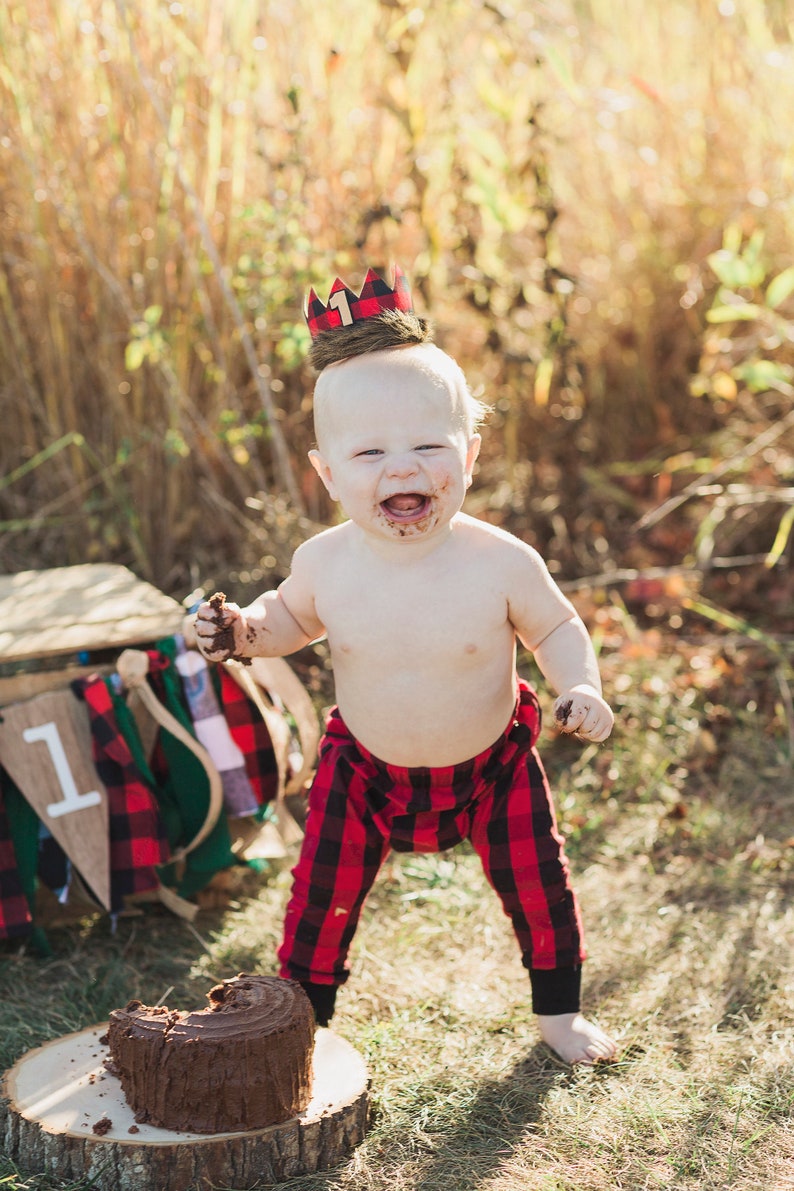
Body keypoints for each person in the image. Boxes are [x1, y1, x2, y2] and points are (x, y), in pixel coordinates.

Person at [195, 267, 617, 1064]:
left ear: (471, 452)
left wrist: (581, 684)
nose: (403, 469)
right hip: (365, 769)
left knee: (541, 886)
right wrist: (238, 631)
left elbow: (556, 625)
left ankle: (559, 1014)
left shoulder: (498, 559)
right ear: (327, 472)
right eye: (370, 452)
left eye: (429, 445)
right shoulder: (325, 562)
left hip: (493, 764)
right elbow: (284, 620)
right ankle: (305, 1020)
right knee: (319, 897)